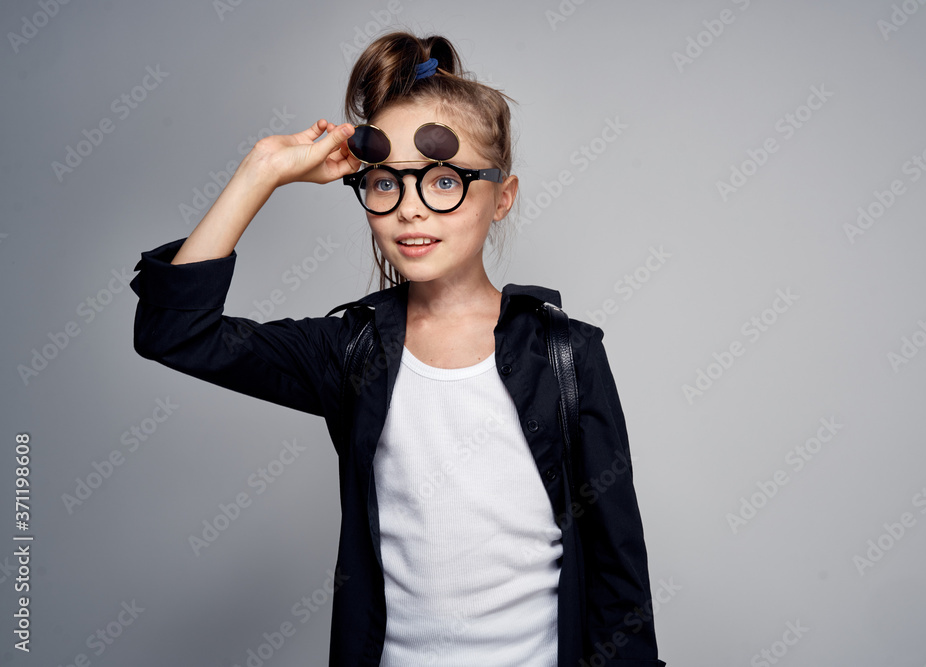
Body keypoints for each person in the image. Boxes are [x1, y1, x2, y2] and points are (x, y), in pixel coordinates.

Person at [129, 30, 665, 667]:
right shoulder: (350, 350)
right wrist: (263, 170)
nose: (410, 210)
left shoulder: (566, 355)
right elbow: (174, 331)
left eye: (443, 182)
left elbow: (618, 570)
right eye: (387, 184)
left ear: (503, 196)